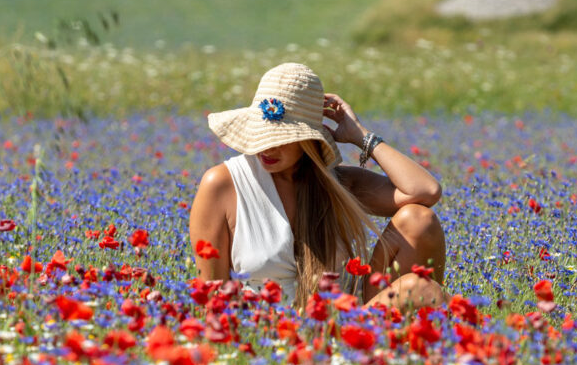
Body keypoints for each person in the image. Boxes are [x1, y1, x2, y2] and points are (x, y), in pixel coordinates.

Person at [188, 62, 446, 311]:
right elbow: (211, 296)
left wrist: (359, 135)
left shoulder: (337, 183)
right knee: (420, 289)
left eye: (283, 138)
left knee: (419, 219)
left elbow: (425, 191)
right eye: (262, 133)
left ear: (308, 140)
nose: (268, 147)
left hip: (346, 326)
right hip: (269, 337)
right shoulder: (223, 184)